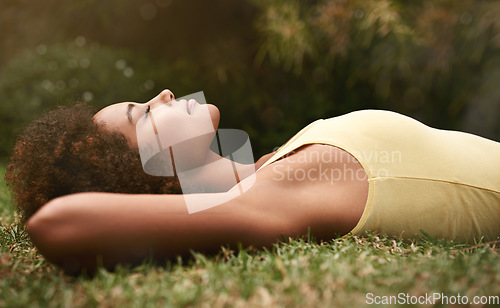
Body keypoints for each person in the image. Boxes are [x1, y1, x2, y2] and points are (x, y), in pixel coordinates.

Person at [5, 89, 500, 274]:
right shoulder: (271, 197)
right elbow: (60, 223)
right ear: (145, 175)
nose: (164, 94)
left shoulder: (271, 168)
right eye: (142, 115)